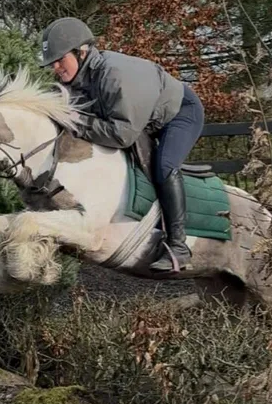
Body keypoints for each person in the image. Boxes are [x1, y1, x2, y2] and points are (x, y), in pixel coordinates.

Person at [40, 17, 205, 273]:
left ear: (81, 52)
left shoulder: (114, 75)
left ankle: (179, 246)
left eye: (60, 59)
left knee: (164, 166)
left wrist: (76, 119)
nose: (56, 68)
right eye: (53, 63)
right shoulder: (77, 78)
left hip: (180, 113)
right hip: (142, 120)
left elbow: (121, 135)